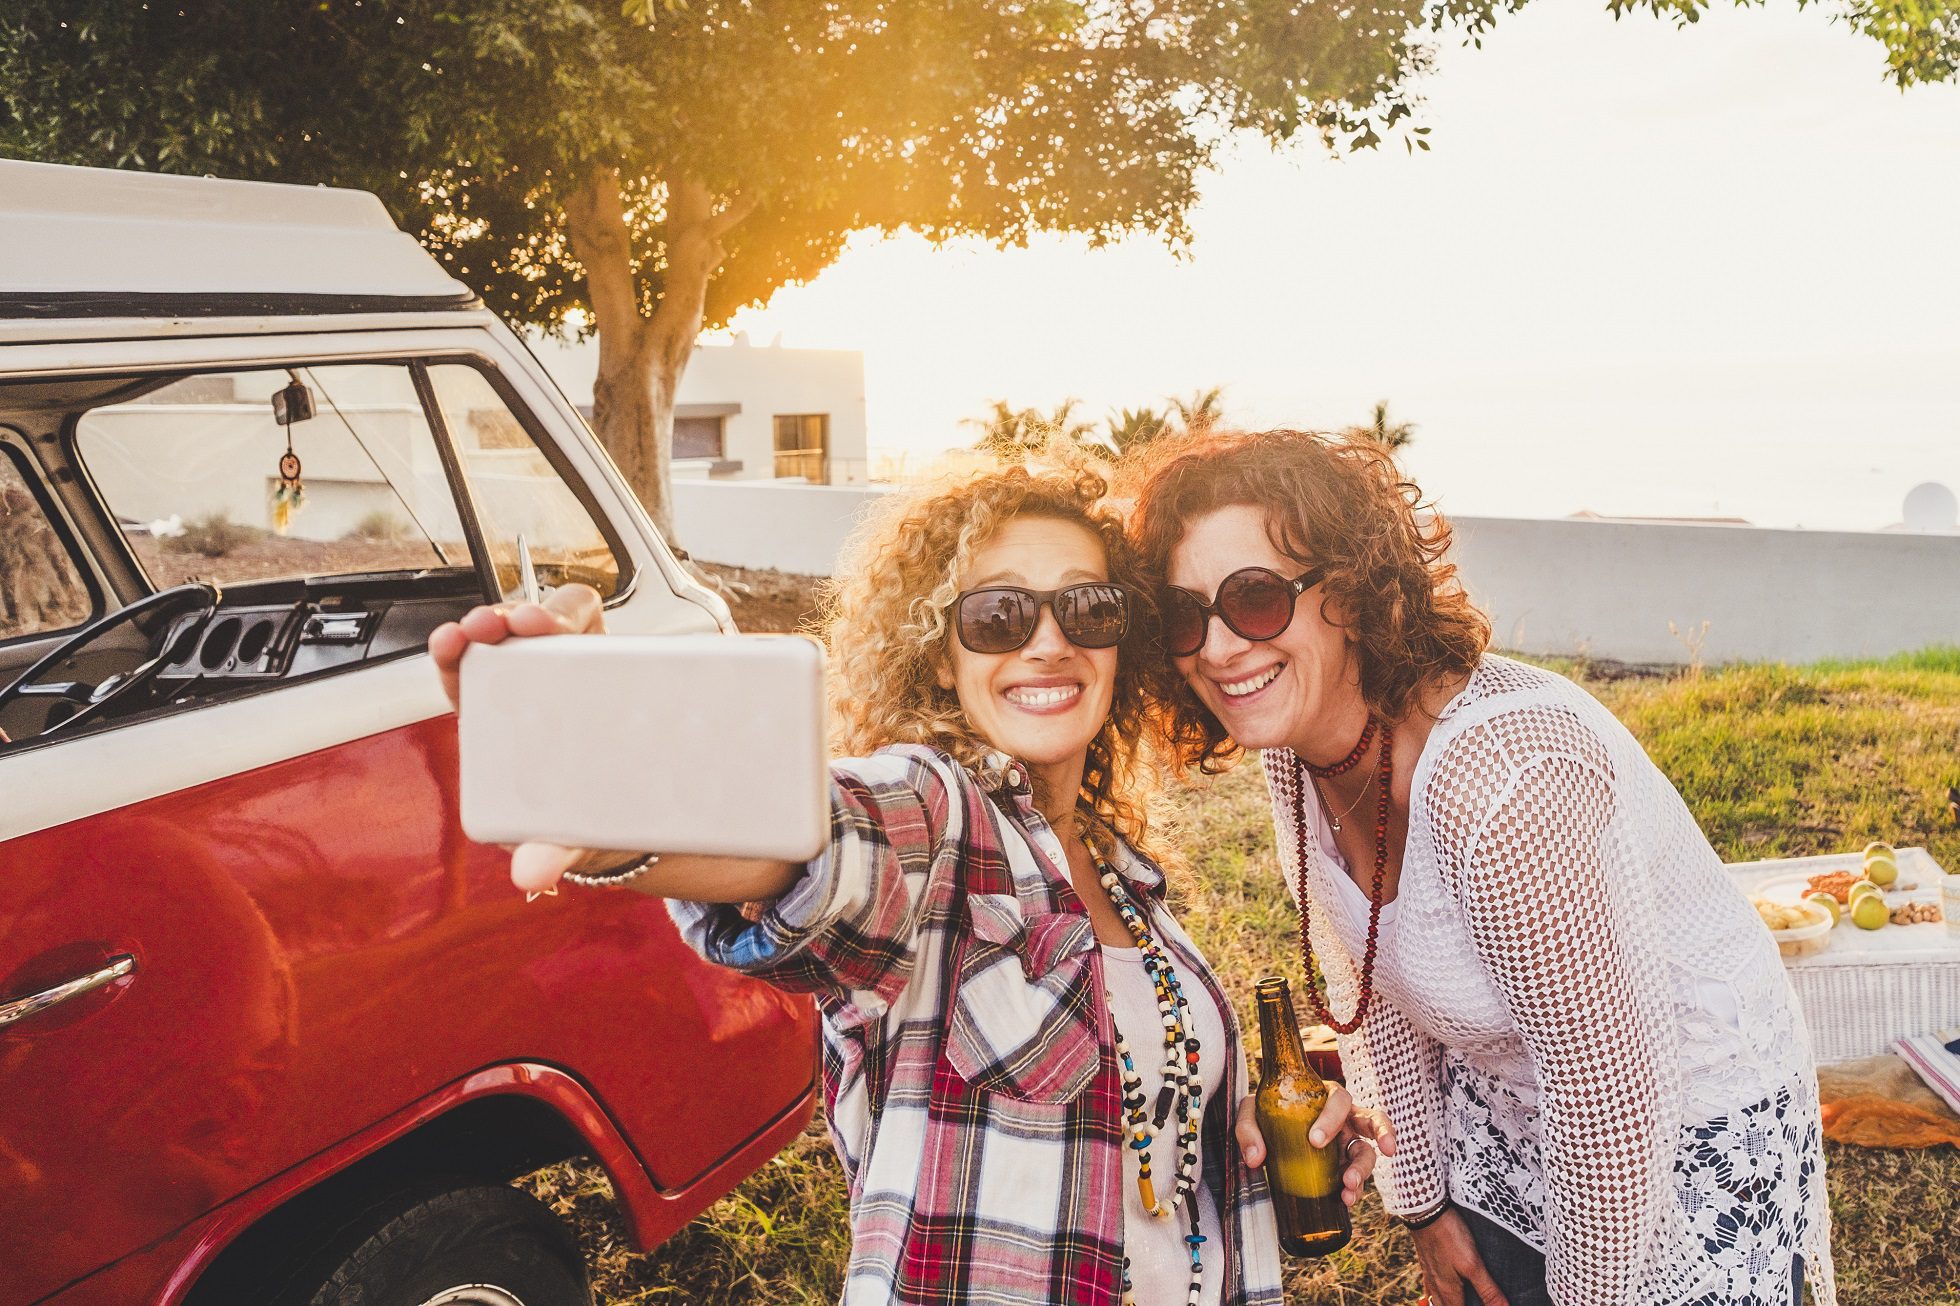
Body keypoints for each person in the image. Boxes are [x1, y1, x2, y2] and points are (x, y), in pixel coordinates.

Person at [430, 463, 1392, 1306]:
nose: (1049, 642)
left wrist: (1270, 1140)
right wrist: (615, 802)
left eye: (1088, 609)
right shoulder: (943, 822)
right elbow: (814, 847)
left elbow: (1147, 1149)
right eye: (999, 614)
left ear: (1122, 644)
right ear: (942, 648)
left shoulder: (1130, 886)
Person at [1128, 429, 1835, 1306]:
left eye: (1258, 599)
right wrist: (1423, 1206)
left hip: (1676, 1122)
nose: (1221, 647)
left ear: (1348, 592)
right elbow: (1374, 976)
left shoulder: (1506, 779)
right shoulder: (1298, 750)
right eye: (1185, 615)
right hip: (1508, 1106)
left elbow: (1610, 1110)